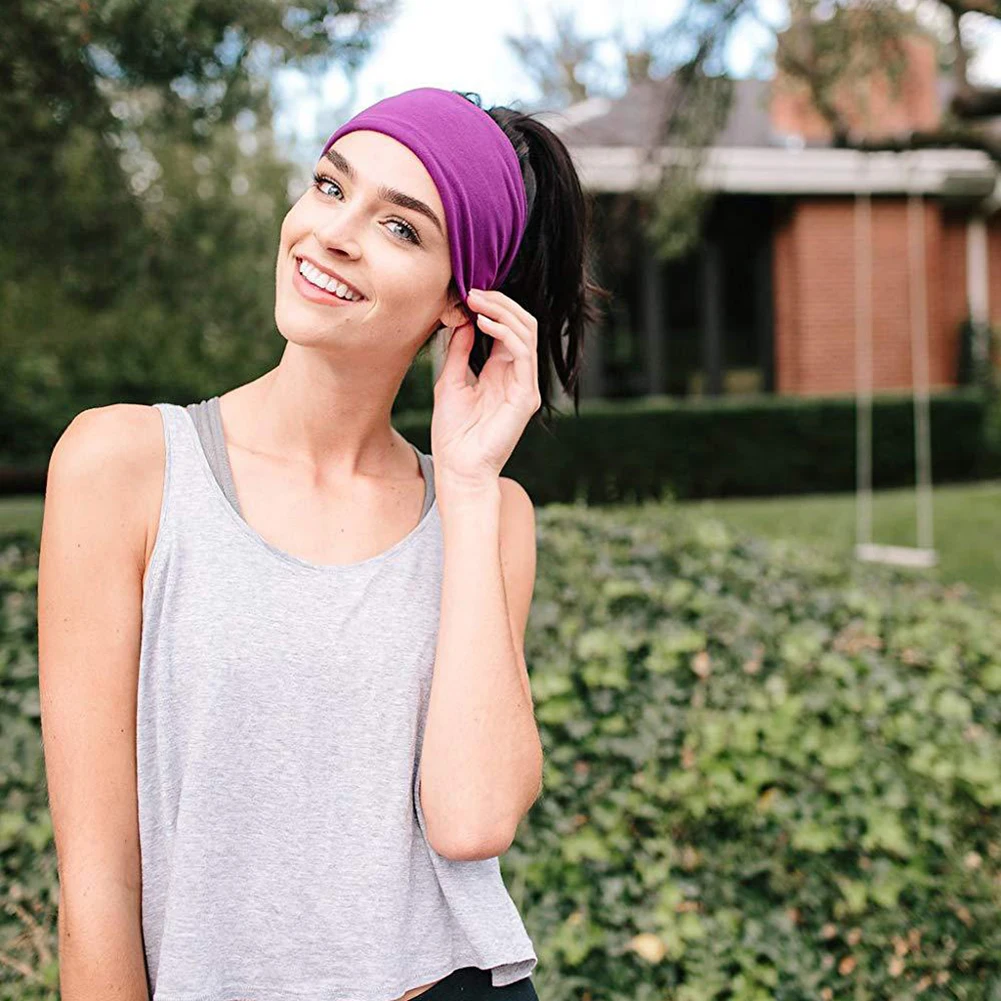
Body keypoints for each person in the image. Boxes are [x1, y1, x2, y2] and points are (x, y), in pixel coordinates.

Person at [37, 86, 607, 1001]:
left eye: (401, 228)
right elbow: (98, 877)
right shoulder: (123, 465)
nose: (333, 234)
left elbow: (471, 820)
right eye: (331, 187)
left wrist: (466, 485)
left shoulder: (489, 514)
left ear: (460, 303)